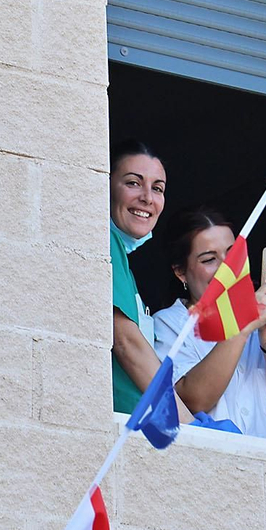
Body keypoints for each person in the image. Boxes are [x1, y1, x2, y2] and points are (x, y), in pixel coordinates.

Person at [151, 207, 266, 439]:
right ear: (180, 272)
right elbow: (192, 402)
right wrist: (243, 327)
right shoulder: (167, 324)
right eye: (209, 259)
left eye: (233, 255)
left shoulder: (260, 321)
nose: (227, 270)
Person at [109, 138, 167, 413]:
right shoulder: (104, 240)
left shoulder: (121, 256)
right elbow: (126, 343)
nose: (147, 197)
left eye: (157, 188)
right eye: (133, 182)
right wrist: (188, 423)